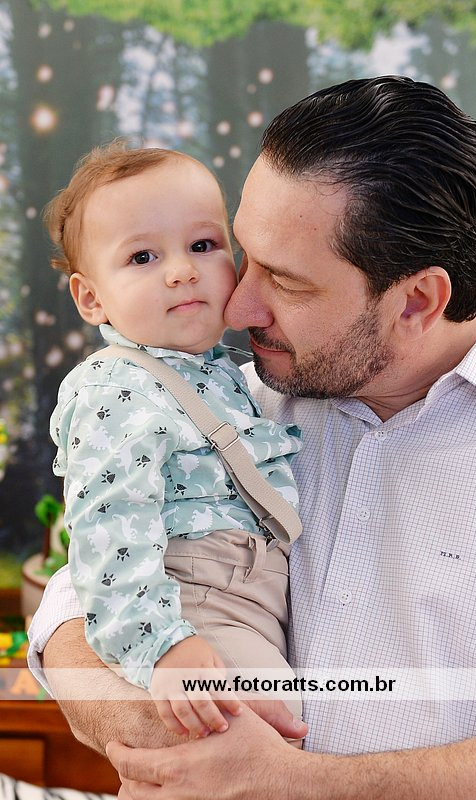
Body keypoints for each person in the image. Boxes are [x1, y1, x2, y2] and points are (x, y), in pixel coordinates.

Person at [29, 76, 476, 800]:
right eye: (242, 254)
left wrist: (289, 783)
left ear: (417, 300)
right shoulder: (233, 398)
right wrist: (175, 730)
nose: (237, 304)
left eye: (286, 282)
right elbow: (75, 604)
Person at [41, 142, 305, 738]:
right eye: (143, 256)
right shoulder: (116, 387)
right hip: (190, 608)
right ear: (92, 298)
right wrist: (162, 645)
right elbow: (110, 525)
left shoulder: (223, 375)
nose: (182, 270)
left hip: (249, 606)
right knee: (259, 751)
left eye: (203, 245)